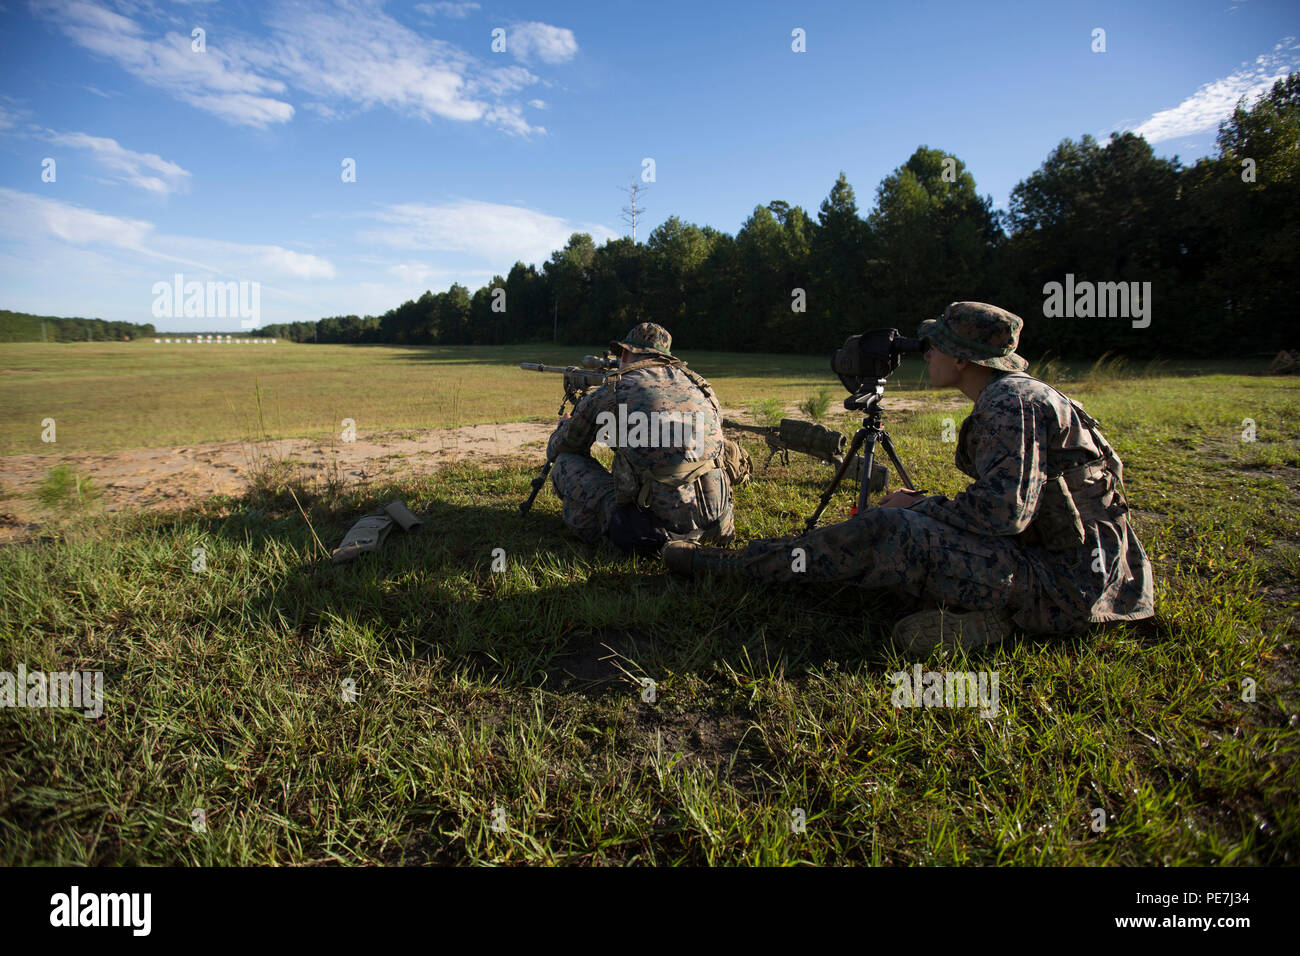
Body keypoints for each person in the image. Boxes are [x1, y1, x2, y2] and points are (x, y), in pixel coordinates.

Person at [662, 302, 1155, 653]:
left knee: (887, 529)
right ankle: (989, 615)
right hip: (1092, 574)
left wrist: (917, 507)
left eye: (935, 347)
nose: (928, 355)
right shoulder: (1026, 394)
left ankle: (731, 566)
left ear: (962, 359)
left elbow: (1004, 513)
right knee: (908, 521)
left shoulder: (1010, 403)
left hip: (1066, 586)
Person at [547, 322, 735, 555]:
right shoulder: (701, 385)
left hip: (648, 534)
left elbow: (563, 446)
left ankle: (612, 527)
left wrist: (564, 424)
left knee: (565, 462)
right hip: (717, 524)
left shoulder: (615, 389)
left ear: (626, 353)